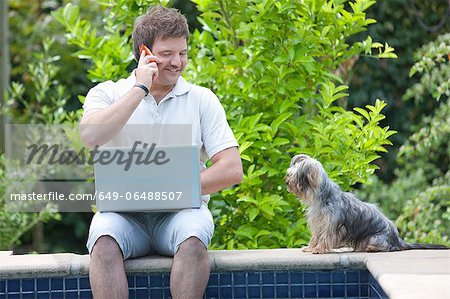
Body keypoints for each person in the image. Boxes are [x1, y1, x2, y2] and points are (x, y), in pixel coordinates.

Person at [79, 5, 243, 299]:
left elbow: (231, 169)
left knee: (194, 239)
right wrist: (140, 87)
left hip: (182, 214)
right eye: (167, 54)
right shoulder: (107, 93)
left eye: (183, 53)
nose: (178, 62)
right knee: (102, 238)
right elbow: (91, 135)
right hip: (125, 217)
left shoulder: (202, 99)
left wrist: (171, 187)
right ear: (145, 53)